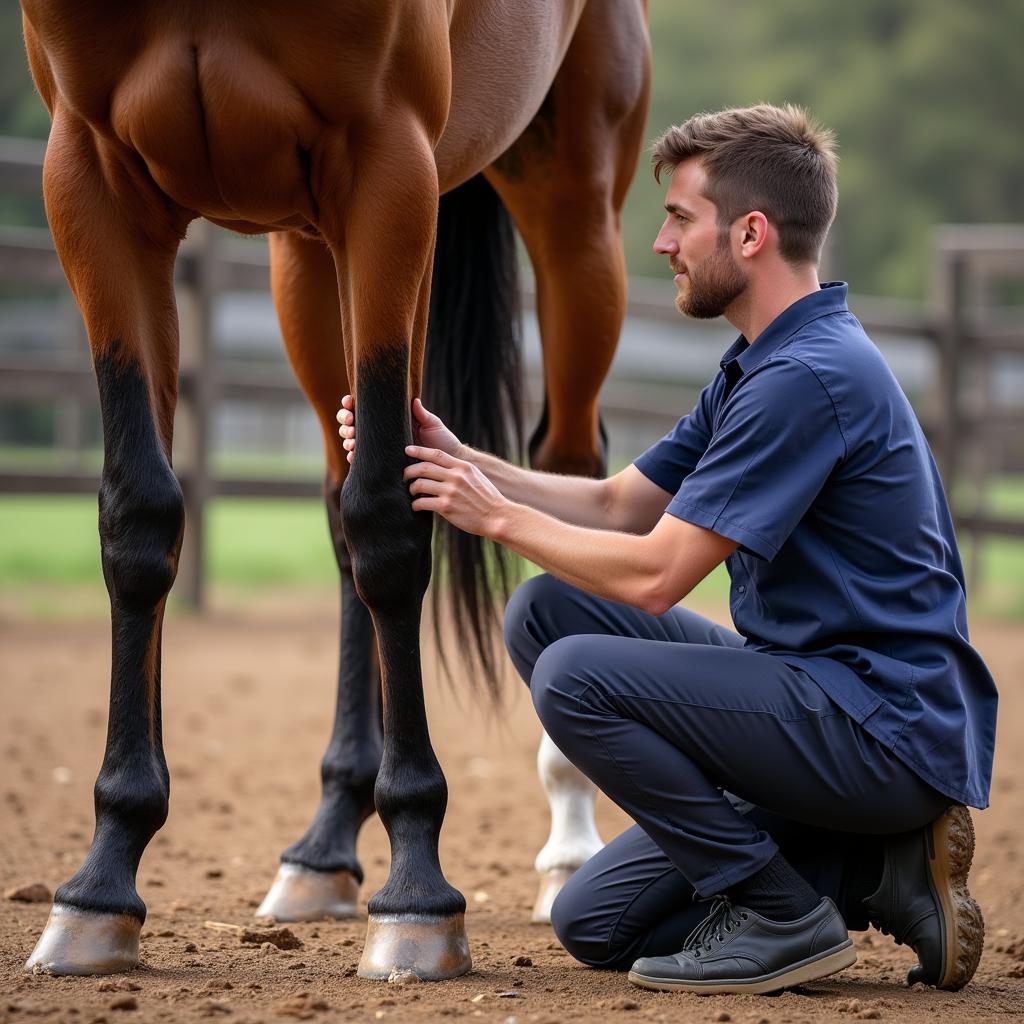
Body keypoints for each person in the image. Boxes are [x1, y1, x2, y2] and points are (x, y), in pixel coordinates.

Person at [336, 103, 995, 995]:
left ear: (752, 232)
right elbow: (619, 503)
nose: (660, 244)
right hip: (820, 704)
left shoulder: (803, 379)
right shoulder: (760, 360)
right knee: (593, 916)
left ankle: (782, 913)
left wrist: (492, 516)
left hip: (880, 727)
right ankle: (869, 871)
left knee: (574, 674)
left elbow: (655, 575)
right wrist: (455, 459)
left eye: (680, 217)